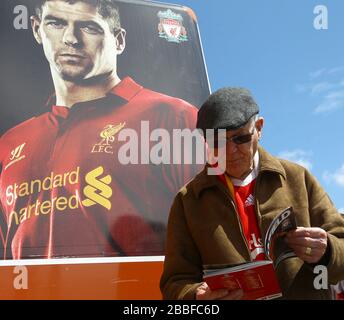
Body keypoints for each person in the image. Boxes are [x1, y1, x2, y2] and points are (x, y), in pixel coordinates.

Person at [0, 0, 200, 259]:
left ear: (118, 40)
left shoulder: (173, 117)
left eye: (89, 28)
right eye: (56, 23)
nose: (71, 38)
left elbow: (212, 226)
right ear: (37, 29)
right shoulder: (11, 142)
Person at [160, 87, 344, 300]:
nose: (230, 150)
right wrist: (197, 296)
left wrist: (328, 250)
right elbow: (174, 283)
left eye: (240, 138)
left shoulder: (298, 178)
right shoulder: (188, 201)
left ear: (259, 128)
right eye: (218, 142)